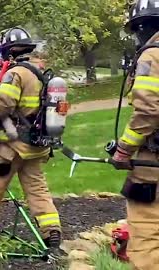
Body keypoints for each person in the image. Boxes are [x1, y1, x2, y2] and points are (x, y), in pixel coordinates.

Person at [0, 26, 62, 248]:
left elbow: (3, 107)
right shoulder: (40, 71)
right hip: (38, 145)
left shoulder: (15, 73)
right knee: (37, 188)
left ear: (9, 52)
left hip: (12, 148)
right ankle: (51, 230)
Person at [110, 1, 159, 269]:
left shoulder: (152, 55)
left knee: (147, 238)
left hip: (153, 166)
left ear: (143, 26)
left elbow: (149, 111)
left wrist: (124, 150)